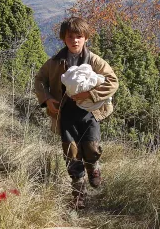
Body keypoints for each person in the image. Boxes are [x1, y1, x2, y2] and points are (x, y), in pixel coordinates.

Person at [34, 17, 119, 210]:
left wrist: (90, 94)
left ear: (86, 38)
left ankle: (93, 167)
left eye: (79, 36)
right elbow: (40, 80)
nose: (75, 40)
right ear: (64, 38)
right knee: (71, 153)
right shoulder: (54, 62)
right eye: (70, 36)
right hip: (65, 114)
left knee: (91, 147)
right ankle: (79, 194)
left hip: (90, 112)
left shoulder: (94, 60)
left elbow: (113, 82)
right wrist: (47, 99)